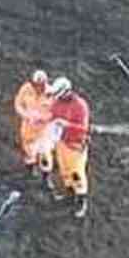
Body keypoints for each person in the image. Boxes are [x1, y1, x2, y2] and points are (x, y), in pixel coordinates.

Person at [46, 76, 90, 219]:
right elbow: (51, 115)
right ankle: (70, 195)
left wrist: (67, 124)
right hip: (61, 142)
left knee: (76, 173)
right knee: (64, 170)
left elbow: (84, 128)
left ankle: (81, 200)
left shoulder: (80, 106)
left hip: (75, 144)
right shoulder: (57, 103)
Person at [13, 69, 53, 179]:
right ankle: (30, 171)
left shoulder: (51, 94)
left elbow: (56, 112)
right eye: (36, 85)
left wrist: (43, 118)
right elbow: (18, 104)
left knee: (45, 153)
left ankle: (46, 176)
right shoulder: (26, 89)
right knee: (28, 150)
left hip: (43, 130)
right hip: (28, 126)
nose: (38, 88)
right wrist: (26, 115)